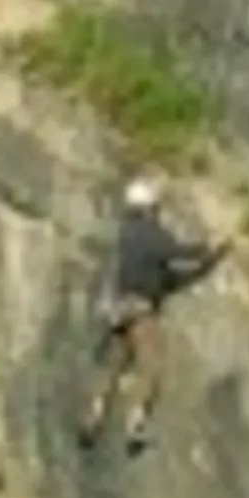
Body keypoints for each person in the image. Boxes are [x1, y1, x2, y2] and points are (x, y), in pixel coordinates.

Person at [82, 175, 229, 457]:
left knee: (113, 367)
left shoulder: (127, 234)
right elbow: (179, 256)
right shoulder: (151, 233)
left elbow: (170, 275)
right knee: (152, 366)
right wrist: (211, 248)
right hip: (141, 311)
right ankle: (135, 424)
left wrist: (209, 260)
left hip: (118, 311)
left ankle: (93, 418)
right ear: (151, 207)